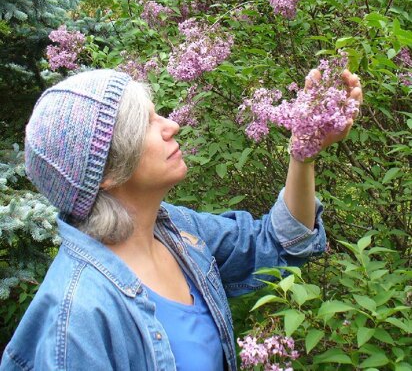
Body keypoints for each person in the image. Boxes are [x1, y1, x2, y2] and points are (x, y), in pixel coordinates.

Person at [0, 68, 362, 371]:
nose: (171, 125)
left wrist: (305, 149)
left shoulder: (176, 232)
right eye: (147, 123)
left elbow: (277, 244)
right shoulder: (78, 316)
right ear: (107, 171)